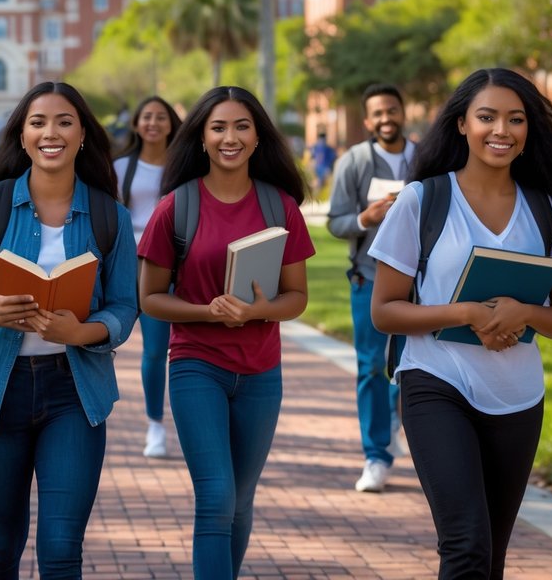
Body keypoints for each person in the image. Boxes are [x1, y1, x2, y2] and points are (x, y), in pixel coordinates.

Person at [369, 68, 552, 580]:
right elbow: (385, 311)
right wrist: (467, 313)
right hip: (435, 382)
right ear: (462, 125)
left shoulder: (550, 213)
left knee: (490, 557)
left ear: (528, 131)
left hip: (518, 396)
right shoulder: (422, 202)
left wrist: (524, 313)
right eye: (487, 116)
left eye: (516, 120)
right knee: (466, 546)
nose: (502, 130)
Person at [0, 81, 138, 579]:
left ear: (83, 135)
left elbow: (124, 308)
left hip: (74, 393)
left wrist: (83, 332)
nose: (52, 132)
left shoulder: (111, 215)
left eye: (65, 121)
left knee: (62, 547)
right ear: (22, 136)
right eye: (38, 122)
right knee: (1, 547)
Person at [137, 86, 315, 580]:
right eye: (218, 127)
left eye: (241, 126)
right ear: (201, 137)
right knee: (216, 497)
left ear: (258, 137)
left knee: (239, 501)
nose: (230, 137)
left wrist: (261, 309)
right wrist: (210, 313)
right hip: (197, 365)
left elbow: (297, 297)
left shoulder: (281, 207)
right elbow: (150, 297)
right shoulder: (176, 207)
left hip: (262, 372)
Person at [326, 83, 415, 492]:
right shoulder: (354, 162)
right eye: (378, 113)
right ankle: (376, 456)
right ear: (367, 121)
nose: (386, 119)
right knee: (369, 367)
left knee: (416, 368)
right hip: (369, 277)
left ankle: (400, 426)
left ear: (403, 113)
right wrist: (367, 218)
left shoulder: (426, 159)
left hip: (423, 284)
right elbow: (336, 221)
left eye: (392, 111)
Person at [113, 96, 182, 457]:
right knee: (102, 340)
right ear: (137, 124)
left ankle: (156, 424)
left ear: (171, 123)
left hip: (164, 265)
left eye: (160, 117)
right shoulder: (121, 166)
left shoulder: (183, 166)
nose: (153, 123)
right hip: (125, 263)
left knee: (157, 349)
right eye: (146, 117)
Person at [309, 131, 337, 197]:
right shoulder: (327, 148)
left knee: (320, 183)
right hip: (324, 168)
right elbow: (333, 158)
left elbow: (312, 158)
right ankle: (315, 194)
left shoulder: (315, 147)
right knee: (321, 183)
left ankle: (314, 194)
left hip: (319, 168)